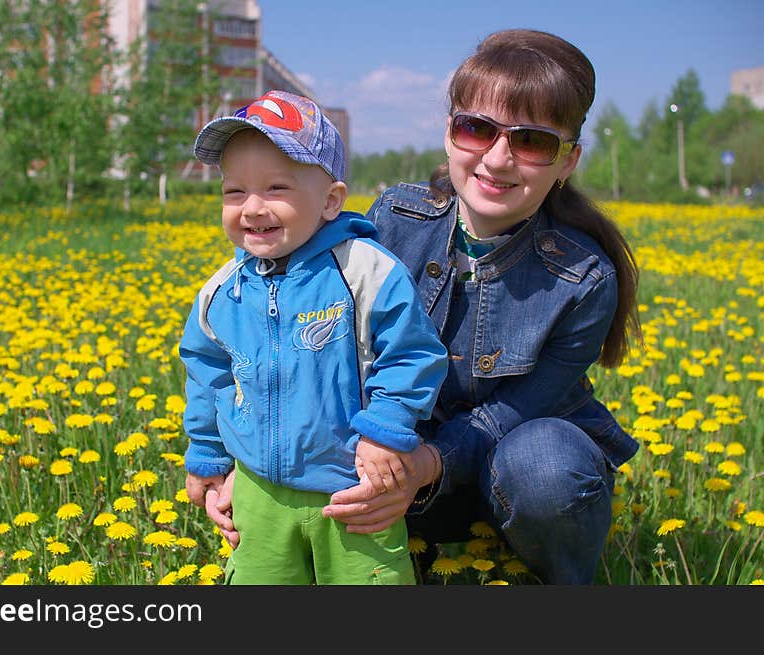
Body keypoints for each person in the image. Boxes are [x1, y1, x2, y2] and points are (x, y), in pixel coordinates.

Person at [201, 30, 642, 586]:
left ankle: (550, 574)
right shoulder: (392, 220)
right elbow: (301, 351)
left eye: (532, 142)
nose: (498, 158)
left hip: (496, 467)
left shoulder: (584, 279)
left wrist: (426, 465)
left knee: (546, 467)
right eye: (477, 128)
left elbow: (517, 410)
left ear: (567, 161)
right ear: (450, 133)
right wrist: (260, 469)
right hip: (386, 464)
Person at [179, 90, 448, 585]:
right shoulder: (222, 292)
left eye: (276, 187)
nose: (252, 207)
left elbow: (413, 353)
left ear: (330, 200)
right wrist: (207, 456)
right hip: (258, 492)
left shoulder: (365, 271)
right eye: (233, 191)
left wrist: (385, 430)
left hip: (353, 489)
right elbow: (207, 373)